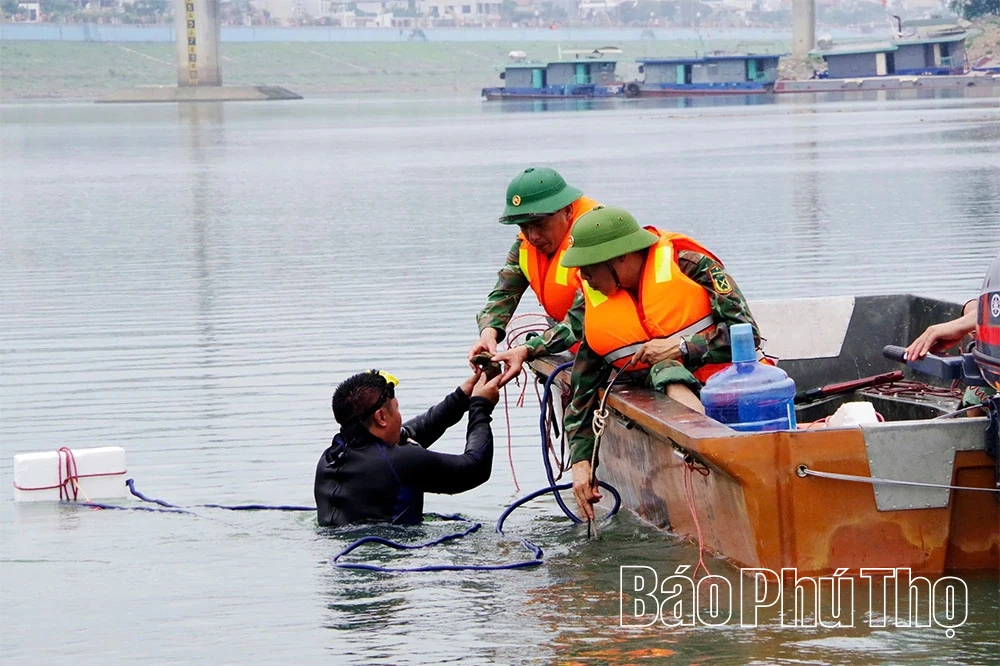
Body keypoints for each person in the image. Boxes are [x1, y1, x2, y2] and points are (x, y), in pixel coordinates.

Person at [558, 205, 765, 520]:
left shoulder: (689, 265)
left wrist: (682, 347)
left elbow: (747, 335)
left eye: (589, 268)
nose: (584, 278)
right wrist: (582, 463)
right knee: (662, 372)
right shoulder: (595, 296)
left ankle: (711, 455)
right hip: (658, 398)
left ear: (620, 258)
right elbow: (583, 384)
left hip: (730, 390)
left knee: (665, 368)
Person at [314, 368, 501, 528]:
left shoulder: (330, 458)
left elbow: (411, 432)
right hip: (392, 557)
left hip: (341, 548)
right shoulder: (399, 462)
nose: (400, 416)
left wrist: (461, 398)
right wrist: (481, 407)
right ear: (381, 418)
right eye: (396, 409)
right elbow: (476, 468)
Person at [469, 167, 600, 384]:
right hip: (575, 348)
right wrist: (488, 333)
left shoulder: (596, 242)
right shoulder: (525, 245)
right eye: (524, 226)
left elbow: (579, 321)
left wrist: (527, 350)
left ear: (567, 211)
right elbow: (504, 292)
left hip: (617, 352)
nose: (533, 236)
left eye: (540, 224)